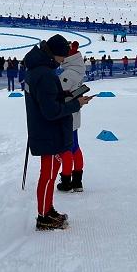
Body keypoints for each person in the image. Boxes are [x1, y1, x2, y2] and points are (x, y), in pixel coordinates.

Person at [24, 34, 92, 231]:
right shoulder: (44, 74)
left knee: (50, 175)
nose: (63, 61)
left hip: (46, 131)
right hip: (48, 132)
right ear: (54, 55)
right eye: (62, 58)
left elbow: (49, 97)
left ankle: (48, 209)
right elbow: (51, 111)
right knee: (48, 176)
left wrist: (69, 95)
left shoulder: (39, 70)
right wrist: (75, 104)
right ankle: (43, 217)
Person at [57, 41, 87, 193]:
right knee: (75, 145)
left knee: (67, 147)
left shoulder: (69, 73)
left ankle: (67, 179)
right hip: (74, 113)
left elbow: (59, 92)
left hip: (67, 114)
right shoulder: (77, 70)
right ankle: (77, 181)